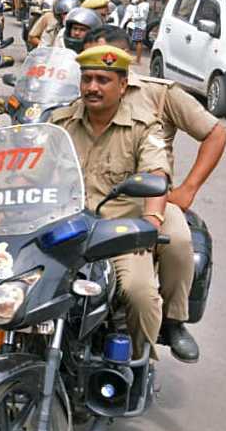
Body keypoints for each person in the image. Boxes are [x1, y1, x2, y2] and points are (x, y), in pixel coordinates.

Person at [86, 25, 226, 362]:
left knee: (177, 242)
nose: (94, 81)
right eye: (87, 71)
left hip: (147, 199)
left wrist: (188, 189)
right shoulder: (77, 101)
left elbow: (215, 134)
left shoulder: (159, 94)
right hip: (92, 202)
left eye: (104, 73)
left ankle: (173, 321)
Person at [50, 45, 170, 360]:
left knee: (140, 292)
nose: (92, 87)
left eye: (103, 80)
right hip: (61, 231)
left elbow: (157, 174)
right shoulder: (60, 122)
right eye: (87, 78)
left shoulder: (144, 126)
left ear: (122, 85)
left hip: (115, 236)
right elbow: (32, 167)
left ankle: (136, 364)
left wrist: (153, 222)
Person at [122, 0, 151, 64]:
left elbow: (141, 16)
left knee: (138, 42)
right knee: (137, 41)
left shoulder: (143, 5)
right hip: (138, 25)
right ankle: (136, 59)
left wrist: (132, 18)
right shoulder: (142, 5)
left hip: (139, 25)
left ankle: (138, 60)